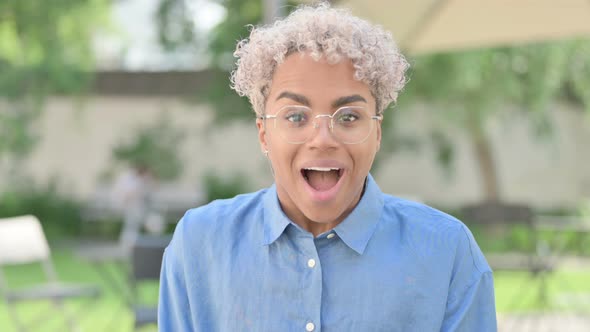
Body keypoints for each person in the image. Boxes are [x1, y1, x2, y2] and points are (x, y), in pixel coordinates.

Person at [158, 3, 497, 331]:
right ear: (264, 134)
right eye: (295, 116)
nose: (322, 139)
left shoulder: (447, 253)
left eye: (349, 117)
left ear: (376, 133)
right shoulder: (199, 246)